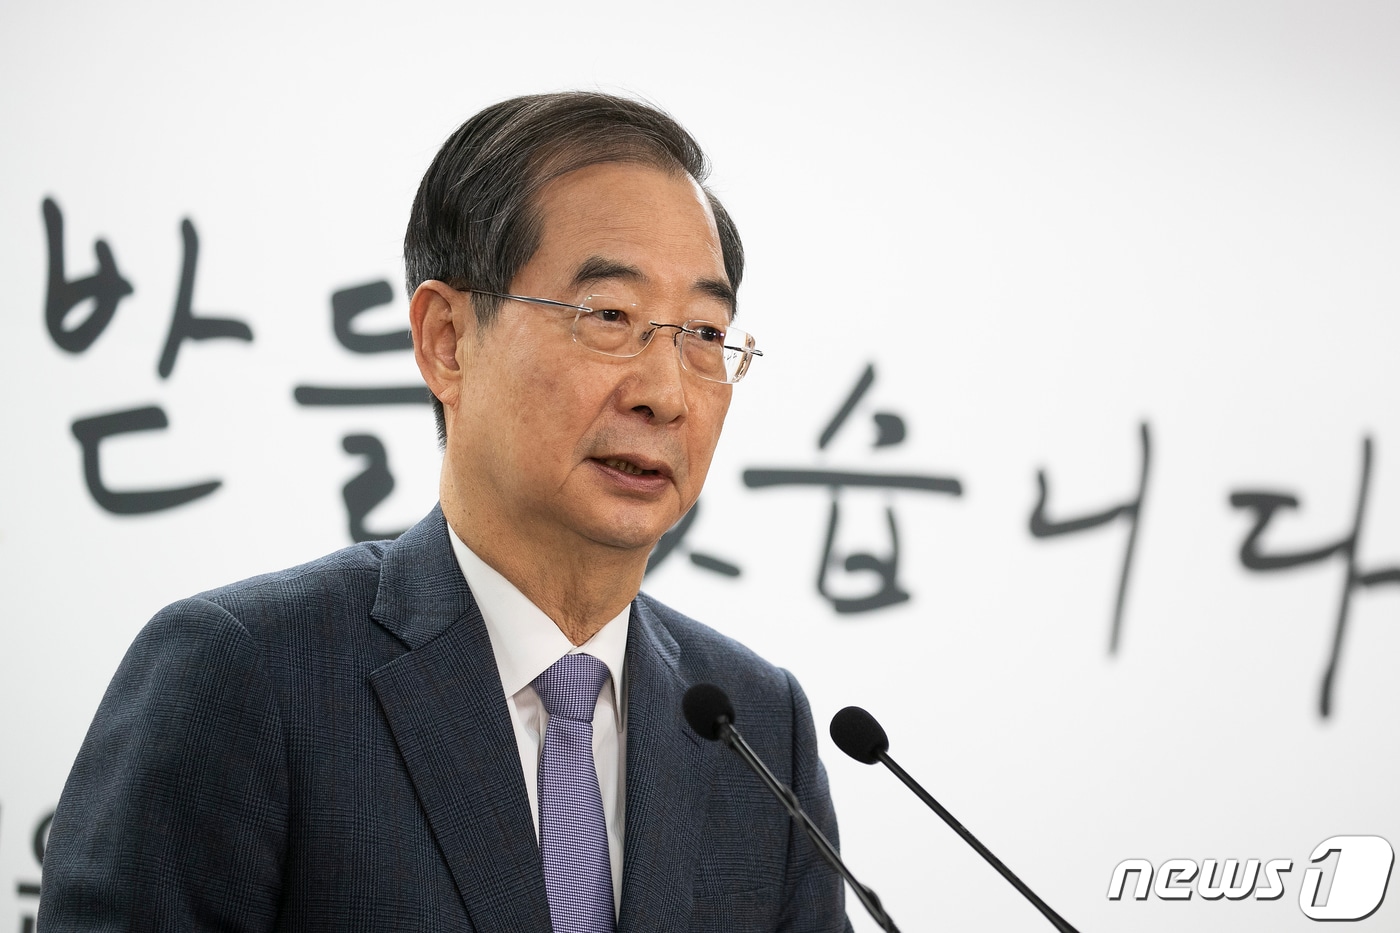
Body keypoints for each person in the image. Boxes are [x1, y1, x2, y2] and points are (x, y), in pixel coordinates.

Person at [38, 91, 852, 933]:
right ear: (447, 341)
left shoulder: (758, 728)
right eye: (610, 316)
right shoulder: (247, 673)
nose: (666, 394)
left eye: (706, 334)